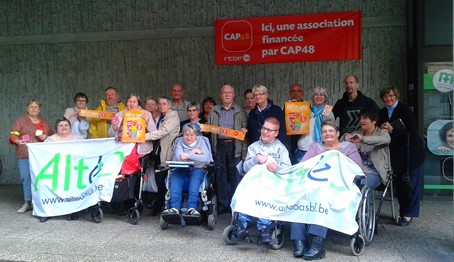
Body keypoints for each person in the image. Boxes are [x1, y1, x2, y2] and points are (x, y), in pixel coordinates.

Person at [291, 121, 362, 260]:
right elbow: (303, 166)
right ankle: (299, 241)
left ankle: (317, 243)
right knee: (298, 197)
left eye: (331, 131)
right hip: (315, 183)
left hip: (339, 186)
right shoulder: (315, 147)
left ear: (338, 134)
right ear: (321, 135)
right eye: (324, 131)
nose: (327, 133)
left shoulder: (349, 147)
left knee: (322, 196)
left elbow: (357, 169)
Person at [235, 117, 291, 244]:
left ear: (276, 133)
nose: (265, 132)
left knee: (267, 195)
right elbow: (244, 168)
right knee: (244, 193)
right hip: (253, 183)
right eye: (264, 128)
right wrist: (255, 159)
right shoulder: (253, 147)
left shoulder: (281, 148)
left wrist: (277, 167)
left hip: (272, 184)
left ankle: (264, 227)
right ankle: (241, 226)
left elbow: (288, 169)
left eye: (269, 130)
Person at [378, 86, 425, 227]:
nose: (389, 99)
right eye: (386, 96)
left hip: (412, 154)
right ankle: (404, 211)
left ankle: (408, 214)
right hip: (397, 154)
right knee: (401, 184)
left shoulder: (405, 111)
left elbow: (412, 133)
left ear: (396, 96)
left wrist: (393, 130)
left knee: (411, 184)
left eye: (391, 96)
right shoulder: (381, 112)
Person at [207, 84, 248, 214]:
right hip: (219, 145)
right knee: (220, 175)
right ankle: (222, 204)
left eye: (229, 92)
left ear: (233, 95)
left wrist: (244, 152)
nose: (227, 95)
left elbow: (245, 133)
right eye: (224, 92)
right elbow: (209, 130)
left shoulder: (240, 110)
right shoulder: (214, 110)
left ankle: (235, 204)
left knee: (234, 175)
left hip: (234, 145)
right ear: (220, 95)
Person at [9, 99, 53, 214]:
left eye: (36, 107)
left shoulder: (44, 122)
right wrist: (17, 141)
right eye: (31, 106)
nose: (33, 109)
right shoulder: (20, 121)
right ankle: (27, 202)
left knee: (40, 179)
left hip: (41, 156)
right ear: (27, 108)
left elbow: (52, 137)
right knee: (26, 178)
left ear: (40, 109)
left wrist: (46, 137)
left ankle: (39, 201)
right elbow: (13, 135)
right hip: (24, 153)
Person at [161, 123, 213, 219]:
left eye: (192, 135)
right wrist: (194, 153)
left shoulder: (202, 142)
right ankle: (174, 208)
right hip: (181, 167)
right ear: (183, 135)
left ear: (196, 135)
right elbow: (178, 157)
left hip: (198, 168)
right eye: (186, 135)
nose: (189, 138)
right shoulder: (179, 141)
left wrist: (187, 155)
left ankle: (192, 208)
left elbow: (205, 158)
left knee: (195, 180)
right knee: (175, 176)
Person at [39, 117, 85, 222]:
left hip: (73, 170)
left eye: (66, 125)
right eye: (61, 125)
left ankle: (73, 211)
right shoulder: (49, 140)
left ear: (70, 127)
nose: (63, 127)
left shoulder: (78, 139)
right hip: (54, 171)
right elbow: (43, 155)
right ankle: (47, 211)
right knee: (44, 185)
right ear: (56, 128)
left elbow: (84, 153)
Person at [145, 97, 181, 213]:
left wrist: (144, 137)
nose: (161, 106)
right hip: (159, 152)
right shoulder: (161, 117)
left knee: (165, 179)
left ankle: (164, 204)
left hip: (168, 153)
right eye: (159, 104)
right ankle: (160, 203)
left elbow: (163, 132)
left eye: (164, 104)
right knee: (159, 179)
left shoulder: (173, 116)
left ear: (169, 106)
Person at [108, 93, 157, 173]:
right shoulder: (119, 114)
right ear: (126, 103)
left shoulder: (146, 114)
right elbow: (110, 134)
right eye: (129, 101)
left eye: (134, 102)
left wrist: (147, 122)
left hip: (141, 148)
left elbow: (154, 133)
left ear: (138, 104)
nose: (131, 104)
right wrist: (114, 127)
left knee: (130, 158)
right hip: (123, 147)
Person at [342, 109, 391, 189]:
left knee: (364, 185)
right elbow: (342, 139)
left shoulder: (382, 132)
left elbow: (386, 140)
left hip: (375, 172)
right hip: (358, 170)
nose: (361, 121)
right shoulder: (358, 132)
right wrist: (345, 136)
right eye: (360, 119)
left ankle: (365, 202)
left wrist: (363, 139)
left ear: (374, 121)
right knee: (345, 184)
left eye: (365, 118)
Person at [295, 87, 334, 163]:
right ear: (313, 97)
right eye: (316, 95)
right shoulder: (306, 109)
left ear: (325, 98)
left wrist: (330, 121)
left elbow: (333, 131)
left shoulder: (327, 110)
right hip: (305, 147)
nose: (319, 96)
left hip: (323, 147)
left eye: (321, 95)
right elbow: (296, 127)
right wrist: (295, 108)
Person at [285, 84, 306, 163]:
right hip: (291, 138)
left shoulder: (307, 105)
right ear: (290, 93)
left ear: (302, 93)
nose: (296, 93)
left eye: (298, 91)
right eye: (293, 91)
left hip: (304, 137)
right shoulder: (286, 106)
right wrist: (291, 106)